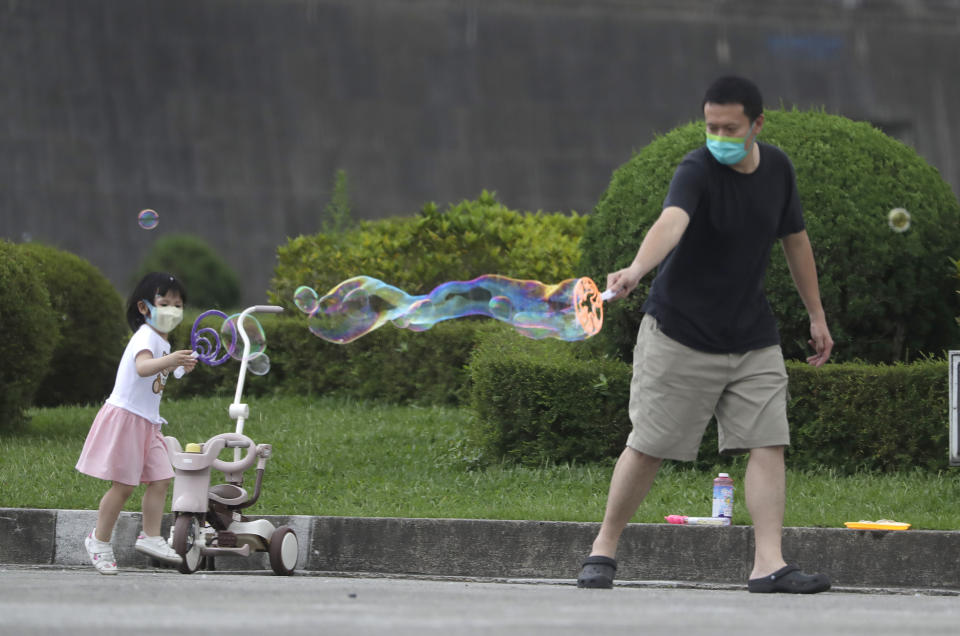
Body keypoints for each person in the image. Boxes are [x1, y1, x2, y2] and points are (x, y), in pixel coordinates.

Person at [577, 76, 834, 593]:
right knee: (648, 445)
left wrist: (817, 315)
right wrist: (635, 270)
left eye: (730, 127)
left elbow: (796, 241)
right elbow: (671, 221)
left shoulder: (778, 169)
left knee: (768, 442)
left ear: (757, 125)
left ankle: (768, 565)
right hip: (680, 331)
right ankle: (603, 548)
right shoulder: (696, 168)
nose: (718, 135)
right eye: (710, 125)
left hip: (751, 334)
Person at [76, 272, 198, 574]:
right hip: (127, 419)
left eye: (178, 305)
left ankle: (151, 536)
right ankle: (99, 540)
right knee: (124, 486)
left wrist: (181, 366)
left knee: (160, 478)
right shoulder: (145, 335)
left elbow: (161, 372)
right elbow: (144, 368)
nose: (172, 310)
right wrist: (171, 361)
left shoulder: (161, 340)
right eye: (164, 303)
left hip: (148, 423)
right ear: (144, 308)